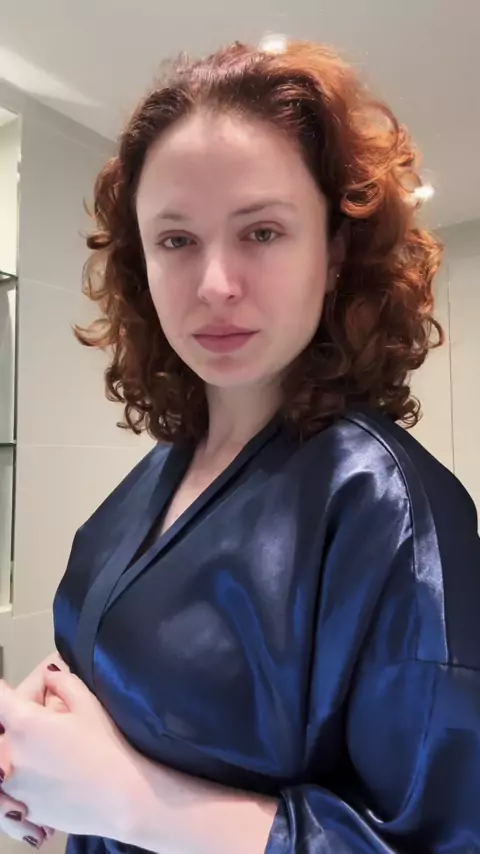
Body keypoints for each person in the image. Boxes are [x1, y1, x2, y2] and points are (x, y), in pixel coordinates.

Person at [0, 37, 479, 854]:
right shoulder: (163, 469)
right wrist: (50, 739)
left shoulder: (391, 511)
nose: (215, 284)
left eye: (261, 231)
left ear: (334, 252)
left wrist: (136, 805)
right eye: (176, 240)